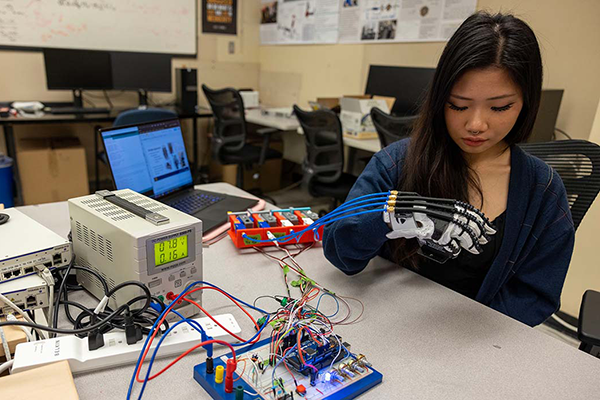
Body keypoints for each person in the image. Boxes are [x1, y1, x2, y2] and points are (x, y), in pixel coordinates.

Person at [322, 11, 575, 327]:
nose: (476, 124)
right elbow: (340, 253)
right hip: (384, 327)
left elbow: (536, 295)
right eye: (458, 105)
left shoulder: (544, 191)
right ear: (440, 98)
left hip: (475, 346)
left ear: (527, 102)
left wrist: (465, 339)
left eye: (500, 107)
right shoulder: (396, 162)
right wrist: (391, 216)